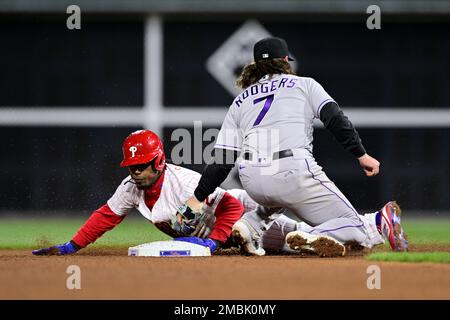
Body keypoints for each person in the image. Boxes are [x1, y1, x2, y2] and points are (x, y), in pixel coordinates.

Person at [185, 37, 408, 256]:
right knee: (355, 226)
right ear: (285, 60)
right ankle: (313, 235)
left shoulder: (240, 100)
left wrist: (197, 198)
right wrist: (361, 154)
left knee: (276, 198)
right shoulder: (305, 84)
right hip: (292, 172)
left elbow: (222, 161)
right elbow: (335, 120)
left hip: (252, 178)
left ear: (254, 65)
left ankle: (250, 225)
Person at [31, 130, 245, 256]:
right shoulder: (130, 187)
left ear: (159, 161)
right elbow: (106, 216)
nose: (136, 172)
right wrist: (70, 247)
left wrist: (213, 242)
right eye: (131, 166)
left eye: (142, 165)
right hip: (225, 236)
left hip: (248, 215)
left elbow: (233, 205)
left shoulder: (184, 183)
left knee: (278, 243)